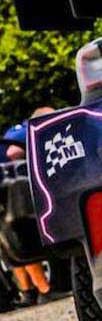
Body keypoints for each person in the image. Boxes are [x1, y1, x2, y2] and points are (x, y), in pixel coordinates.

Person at [3, 108, 57, 307]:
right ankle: (44, 289)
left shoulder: (15, 130)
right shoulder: (26, 130)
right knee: (20, 235)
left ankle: (28, 292)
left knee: (9, 243)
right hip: (8, 186)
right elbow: (13, 152)